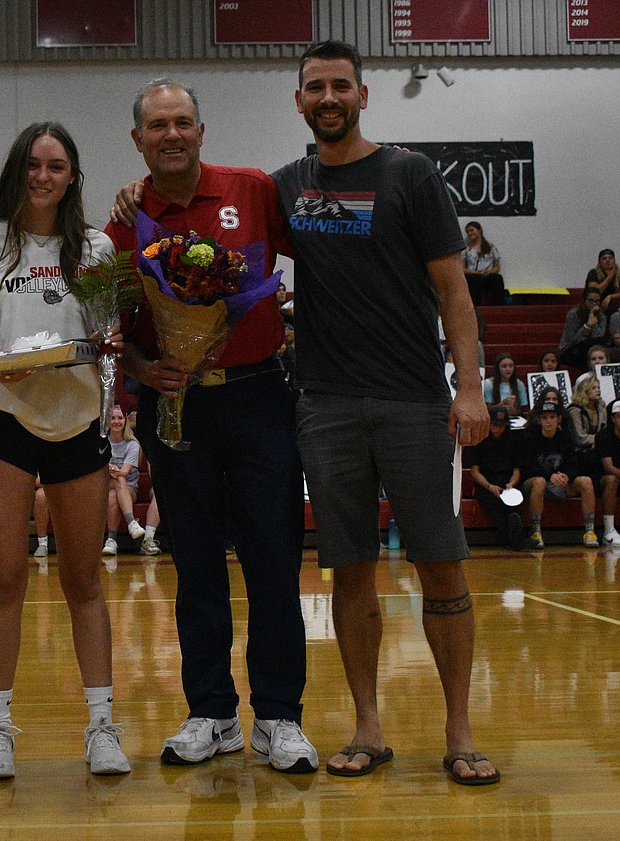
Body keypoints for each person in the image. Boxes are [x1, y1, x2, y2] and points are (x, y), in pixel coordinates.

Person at [269, 41, 496, 785]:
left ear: (363, 96)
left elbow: (453, 291)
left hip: (411, 402)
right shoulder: (287, 187)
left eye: (340, 85)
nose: (328, 97)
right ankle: (369, 726)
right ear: (299, 101)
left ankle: (460, 732)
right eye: (314, 87)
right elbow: (214, 213)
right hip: (326, 407)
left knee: (442, 566)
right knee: (351, 575)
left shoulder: (411, 175)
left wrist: (469, 387)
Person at [107, 80, 317, 774]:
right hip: (179, 408)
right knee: (195, 564)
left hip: (259, 398)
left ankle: (280, 716)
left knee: (273, 563)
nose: (171, 134)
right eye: (156, 126)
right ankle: (212, 713)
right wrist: (144, 366)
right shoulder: (125, 224)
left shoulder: (253, 189)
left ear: (202, 130)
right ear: (137, 140)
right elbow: (116, 332)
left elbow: (316, 246)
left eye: (182, 123)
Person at [0, 122, 131, 779]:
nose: (43, 176)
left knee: (82, 580)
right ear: (18, 171)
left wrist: (106, 344)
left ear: (71, 176)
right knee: (5, 578)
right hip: (3, 418)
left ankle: (102, 725)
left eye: (56, 165)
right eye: (33, 164)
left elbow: (106, 331)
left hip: (77, 416)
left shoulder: (93, 248)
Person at [521, 401, 597, 549]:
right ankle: (536, 531)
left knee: (586, 481)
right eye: (545, 417)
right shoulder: (530, 438)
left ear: (559, 419)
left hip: (560, 484)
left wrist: (567, 476)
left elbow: (574, 464)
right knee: (540, 482)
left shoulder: (565, 438)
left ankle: (589, 530)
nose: (548, 421)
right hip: (535, 484)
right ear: (539, 420)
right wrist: (550, 475)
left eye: (552, 417)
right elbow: (527, 467)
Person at [468, 406, 534, 550]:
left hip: (506, 483)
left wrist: (511, 484)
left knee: (514, 502)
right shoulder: (479, 441)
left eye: (502, 426)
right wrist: (490, 487)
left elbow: (517, 470)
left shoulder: (513, 441)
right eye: (496, 425)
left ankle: (516, 536)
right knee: (493, 504)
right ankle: (516, 539)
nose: (499, 429)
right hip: (485, 485)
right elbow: (475, 472)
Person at [104, 405, 146, 555]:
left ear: (125, 421)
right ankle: (131, 523)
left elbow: (125, 472)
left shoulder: (132, 444)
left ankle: (111, 540)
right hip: (104, 485)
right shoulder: (101, 443)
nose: (116, 421)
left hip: (128, 488)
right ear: (107, 421)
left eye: (120, 418)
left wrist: (111, 470)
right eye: (113, 418)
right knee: (115, 485)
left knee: (115, 490)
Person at [559, 286, 609, 369]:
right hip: (571, 350)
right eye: (591, 300)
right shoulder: (573, 314)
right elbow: (573, 341)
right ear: (584, 300)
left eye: (597, 301)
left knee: (600, 344)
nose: (594, 304)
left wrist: (594, 319)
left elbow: (598, 337)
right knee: (588, 349)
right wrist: (588, 326)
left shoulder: (602, 316)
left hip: (590, 349)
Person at [593, 399, 620, 546]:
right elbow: (608, 467)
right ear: (613, 418)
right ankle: (608, 531)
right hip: (601, 479)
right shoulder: (603, 436)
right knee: (612, 480)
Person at [462, 221, 506, 306]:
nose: (470, 233)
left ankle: (497, 307)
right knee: (475, 280)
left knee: (497, 279)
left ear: (479, 230)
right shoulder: (465, 249)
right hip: (473, 275)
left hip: (487, 275)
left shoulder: (491, 247)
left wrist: (489, 272)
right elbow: (462, 268)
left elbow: (497, 267)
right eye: (468, 232)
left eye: (472, 230)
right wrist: (476, 272)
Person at [586, 248, 619, 314]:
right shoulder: (593, 273)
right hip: (594, 303)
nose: (608, 260)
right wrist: (609, 277)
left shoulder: (618, 274)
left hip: (611, 303)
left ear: (614, 261)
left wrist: (611, 296)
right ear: (599, 263)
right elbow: (594, 293)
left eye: (610, 258)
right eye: (604, 258)